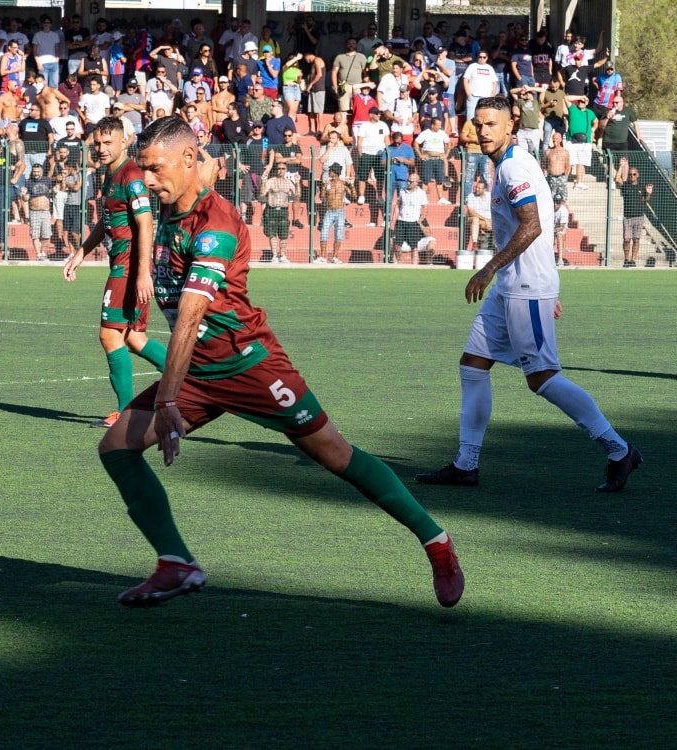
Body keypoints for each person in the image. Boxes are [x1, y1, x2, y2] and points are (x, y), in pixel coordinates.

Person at [98, 116, 464, 609]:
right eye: (142, 169)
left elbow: (188, 318)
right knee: (116, 448)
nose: (146, 180)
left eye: (155, 169)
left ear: (186, 160)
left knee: (335, 455)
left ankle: (436, 544)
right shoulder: (172, 200)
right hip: (197, 372)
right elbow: (195, 169)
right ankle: (175, 563)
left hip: (249, 367)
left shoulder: (216, 225)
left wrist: (166, 398)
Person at [415, 97, 641, 493]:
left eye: (491, 124)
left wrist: (490, 268)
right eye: (478, 124)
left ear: (509, 127)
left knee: (542, 379)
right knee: (473, 364)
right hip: (514, 287)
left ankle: (619, 450)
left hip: (523, 287)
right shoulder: (506, 162)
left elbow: (532, 225)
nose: (483, 131)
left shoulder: (514, 165)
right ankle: (466, 465)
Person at [63, 116, 167, 429]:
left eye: (108, 143)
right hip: (123, 263)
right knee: (134, 338)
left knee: (110, 335)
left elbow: (146, 222)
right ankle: (190, 375)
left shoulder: (131, 175)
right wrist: (81, 252)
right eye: (98, 143)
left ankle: (126, 413)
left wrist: (142, 272)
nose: (102, 148)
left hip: (129, 265)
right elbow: (106, 220)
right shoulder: (111, 175)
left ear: (125, 142)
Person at [615, 157, 652, 268]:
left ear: (638, 175)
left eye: (634, 174)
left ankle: (633, 259)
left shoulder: (641, 186)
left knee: (636, 239)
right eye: (630, 174)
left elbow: (645, 200)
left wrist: (649, 193)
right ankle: (626, 259)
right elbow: (617, 179)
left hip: (639, 216)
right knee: (627, 239)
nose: (632, 176)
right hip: (628, 216)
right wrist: (621, 167)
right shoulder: (626, 185)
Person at [317, 163, 355, 264]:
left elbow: (353, 196)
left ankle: (335, 256)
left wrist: (351, 185)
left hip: (340, 211)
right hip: (329, 210)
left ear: (335, 172)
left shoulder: (343, 184)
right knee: (324, 232)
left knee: (338, 234)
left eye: (330, 171)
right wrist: (323, 188)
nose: (329, 172)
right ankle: (323, 256)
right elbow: (321, 197)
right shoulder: (327, 183)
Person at [259, 162, 294, 263]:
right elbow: (262, 193)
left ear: (286, 170)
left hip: (283, 211)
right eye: (279, 168)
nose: (281, 170)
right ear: (276, 170)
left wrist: (297, 182)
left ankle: (282, 255)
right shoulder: (271, 181)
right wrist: (263, 182)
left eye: (283, 168)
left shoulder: (288, 182)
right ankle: (274, 255)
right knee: (272, 234)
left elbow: (298, 194)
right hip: (271, 210)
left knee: (284, 235)